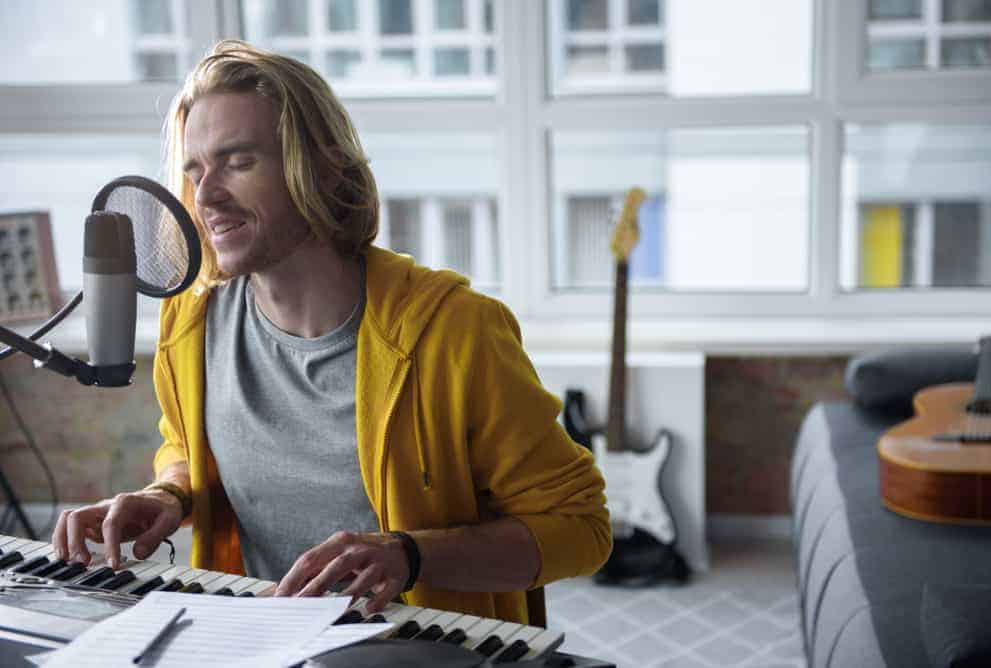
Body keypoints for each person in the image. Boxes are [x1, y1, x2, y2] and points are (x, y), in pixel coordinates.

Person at [51, 40, 610, 625]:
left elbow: (581, 528)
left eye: (239, 161)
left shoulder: (456, 330)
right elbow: (190, 454)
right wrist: (168, 496)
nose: (206, 195)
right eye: (194, 169)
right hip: (256, 637)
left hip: (423, 649)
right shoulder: (189, 322)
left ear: (322, 166)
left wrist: (411, 556)